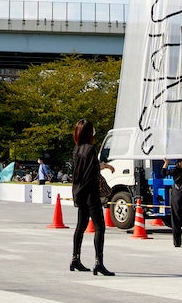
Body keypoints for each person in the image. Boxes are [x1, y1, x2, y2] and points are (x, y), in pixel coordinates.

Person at [69, 118, 116, 277]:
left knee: (80, 226)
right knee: (99, 227)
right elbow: (91, 174)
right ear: (89, 132)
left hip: (79, 193)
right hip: (91, 194)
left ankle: (75, 258)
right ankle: (99, 263)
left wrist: (101, 166)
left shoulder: (77, 150)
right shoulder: (90, 149)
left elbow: (81, 172)